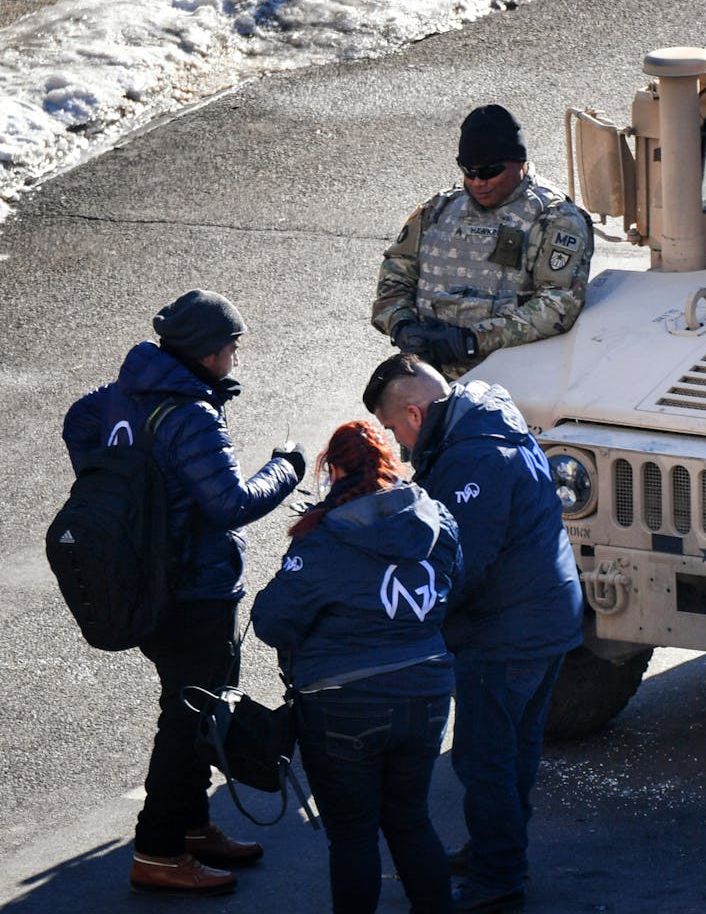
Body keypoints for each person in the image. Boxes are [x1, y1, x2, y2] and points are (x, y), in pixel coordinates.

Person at [61, 289, 304, 896]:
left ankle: (193, 826)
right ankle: (160, 851)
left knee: (195, 709)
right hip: (193, 591)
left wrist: (131, 500)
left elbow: (78, 423)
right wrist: (286, 467)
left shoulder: (121, 395)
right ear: (207, 352)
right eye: (231, 347)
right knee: (189, 718)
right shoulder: (191, 415)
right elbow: (229, 505)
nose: (235, 358)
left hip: (146, 583)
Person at [362, 353, 583, 914]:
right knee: (515, 751)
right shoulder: (485, 419)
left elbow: (461, 563)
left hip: (505, 633)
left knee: (484, 759)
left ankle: (498, 874)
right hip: (546, 616)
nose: (399, 444)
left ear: (414, 412)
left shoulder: (473, 459)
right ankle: (499, 849)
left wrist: (406, 614)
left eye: (393, 429)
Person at [251, 420, 461, 914]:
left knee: (352, 835)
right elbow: (456, 589)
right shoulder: (440, 524)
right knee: (411, 820)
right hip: (427, 692)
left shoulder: (323, 542)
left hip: (343, 704)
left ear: (336, 469)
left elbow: (272, 622)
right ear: (391, 464)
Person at [371, 103, 593, 380]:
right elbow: (395, 276)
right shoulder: (438, 209)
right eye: (469, 172)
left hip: (510, 382)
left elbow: (559, 304)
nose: (478, 182)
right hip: (430, 378)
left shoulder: (555, 218)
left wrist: (473, 341)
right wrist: (401, 325)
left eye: (490, 172)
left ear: (519, 163)